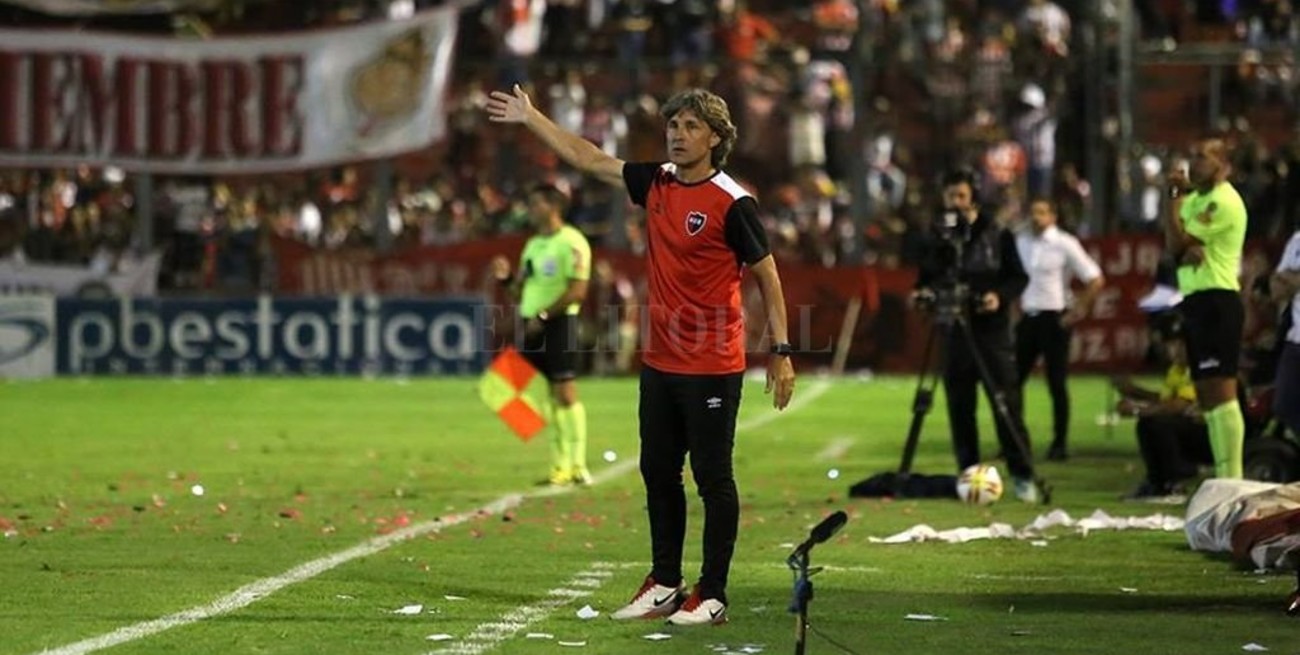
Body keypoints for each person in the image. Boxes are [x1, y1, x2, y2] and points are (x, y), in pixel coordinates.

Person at [486, 85, 796, 626]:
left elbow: (768, 275)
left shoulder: (733, 201)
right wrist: (532, 117)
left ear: (716, 138)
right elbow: (588, 158)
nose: (678, 134)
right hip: (660, 362)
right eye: (674, 125)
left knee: (713, 478)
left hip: (712, 364)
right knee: (658, 471)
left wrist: (782, 350)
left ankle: (714, 593)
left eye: (691, 126)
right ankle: (666, 583)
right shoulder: (657, 182)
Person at [912, 167, 1042, 503]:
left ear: (974, 198)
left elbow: (1018, 277)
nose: (955, 202)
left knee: (1005, 405)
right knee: (960, 408)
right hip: (953, 330)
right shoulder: (937, 235)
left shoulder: (997, 233)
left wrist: (998, 296)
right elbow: (925, 277)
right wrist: (923, 293)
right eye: (950, 196)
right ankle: (968, 475)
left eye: (961, 196)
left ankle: (1023, 475)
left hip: (990, 333)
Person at [491, 184, 593, 486]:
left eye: (536, 203)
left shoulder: (572, 242)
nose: (531, 210)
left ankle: (576, 465)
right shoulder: (533, 245)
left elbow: (578, 291)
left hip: (559, 324)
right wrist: (506, 279)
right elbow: (519, 291)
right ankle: (560, 464)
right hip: (532, 325)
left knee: (565, 393)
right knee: (501, 387)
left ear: (553, 206)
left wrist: (545, 316)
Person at [1163, 139, 1248, 478]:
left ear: (1223, 166)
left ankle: (1233, 477)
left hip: (1218, 300)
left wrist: (1173, 200)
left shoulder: (1223, 201)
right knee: (1206, 395)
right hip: (1196, 300)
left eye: (1202, 157)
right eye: (1193, 156)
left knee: (1221, 391)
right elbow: (1175, 246)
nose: (1194, 162)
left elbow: (1176, 242)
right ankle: (1223, 475)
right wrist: (1180, 236)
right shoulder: (1195, 199)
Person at [1014, 198, 1105, 461]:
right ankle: (1015, 441)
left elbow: (1095, 278)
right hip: (1028, 316)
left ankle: (1059, 443)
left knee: (1056, 382)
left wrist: (1078, 309)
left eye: (1042, 212)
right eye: (1033, 212)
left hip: (1054, 317)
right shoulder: (1021, 241)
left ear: (1053, 216)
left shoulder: (1064, 243)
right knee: (1012, 382)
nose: (1036, 217)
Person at [1114, 311, 1210, 502]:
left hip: (1212, 434)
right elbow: (1165, 401)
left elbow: (1179, 405)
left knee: (1158, 424)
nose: (1172, 351)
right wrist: (1135, 394)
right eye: (1169, 345)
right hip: (1195, 430)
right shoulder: (1177, 369)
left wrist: (1137, 409)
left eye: (1177, 345)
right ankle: (1157, 482)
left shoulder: (1199, 367)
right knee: (1150, 423)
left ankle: (1174, 483)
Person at [1271, 227, 1300, 437]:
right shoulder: (1297, 239)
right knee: (1284, 405)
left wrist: (1291, 278)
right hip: (1296, 339)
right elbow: (1276, 288)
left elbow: (1284, 279)